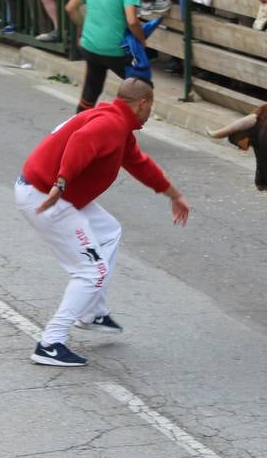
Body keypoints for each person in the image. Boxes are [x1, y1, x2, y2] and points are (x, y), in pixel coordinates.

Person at [15, 77, 190, 367]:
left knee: (109, 231)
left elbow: (140, 164)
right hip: (47, 196)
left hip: (51, 193)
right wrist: (61, 182)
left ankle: (91, 311)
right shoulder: (109, 125)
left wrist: (174, 195)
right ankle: (50, 343)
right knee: (91, 270)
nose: (150, 114)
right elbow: (79, 142)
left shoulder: (117, 125)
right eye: (151, 107)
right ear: (143, 103)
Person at [65, 0, 149, 112]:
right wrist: (141, 41)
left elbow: (71, 8)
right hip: (114, 50)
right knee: (141, 87)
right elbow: (132, 21)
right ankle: (120, 124)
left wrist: (83, 29)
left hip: (90, 46)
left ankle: (78, 126)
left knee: (92, 89)